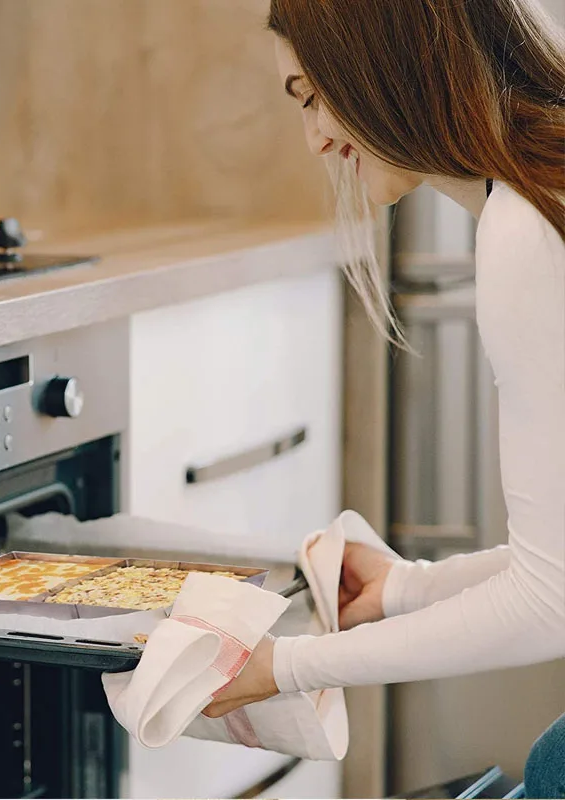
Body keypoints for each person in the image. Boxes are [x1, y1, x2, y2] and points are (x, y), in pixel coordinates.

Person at [203, 0, 565, 795]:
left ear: (379, 62)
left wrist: (282, 666)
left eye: (309, 94)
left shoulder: (525, 231)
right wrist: (406, 588)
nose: (315, 137)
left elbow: (550, 599)